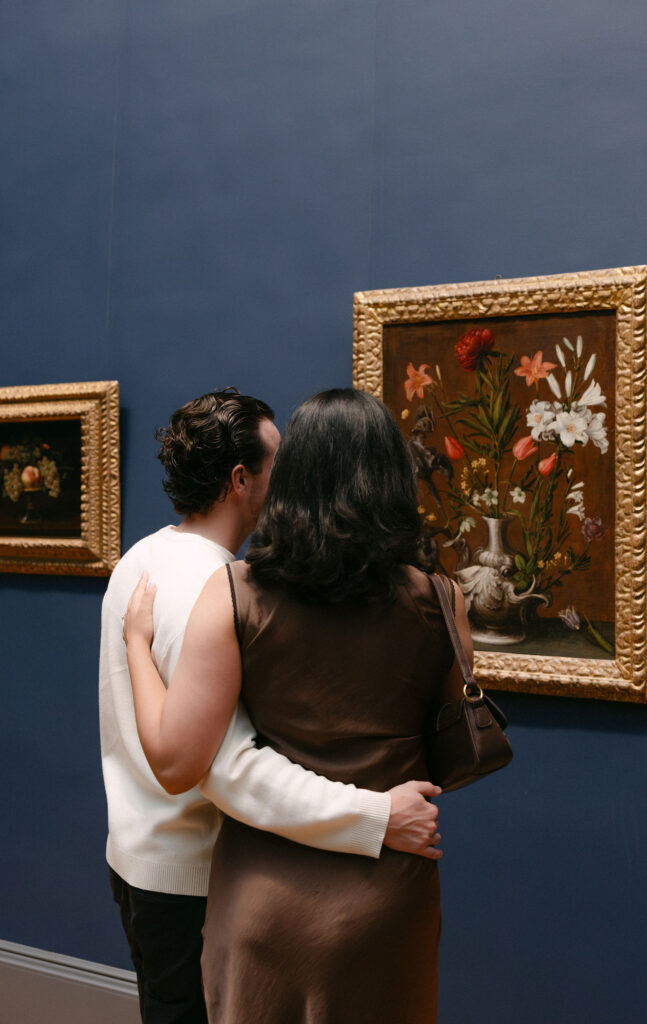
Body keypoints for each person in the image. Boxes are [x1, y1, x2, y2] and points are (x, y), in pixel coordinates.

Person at [123, 388, 473, 1024]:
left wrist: (138, 646)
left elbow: (177, 762)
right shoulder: (442, 601)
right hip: (387, 898)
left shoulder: (235, 593)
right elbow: (446, 730)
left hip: (266, 896)